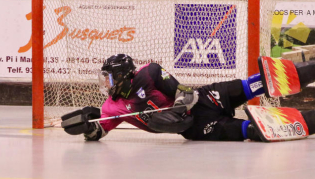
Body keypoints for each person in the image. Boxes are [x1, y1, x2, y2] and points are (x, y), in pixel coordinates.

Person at [62, 54, 315, 142]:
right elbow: (101, 131)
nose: (105, 85)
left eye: (108, 79)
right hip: (196, 129)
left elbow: (186, 93)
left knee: (258, 83)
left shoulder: (149, 73)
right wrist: (88, 128)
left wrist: (175, 113)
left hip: (205, 99)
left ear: (122, 76)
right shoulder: (111, 106)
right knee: (255, 131)